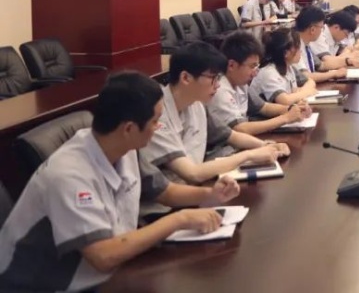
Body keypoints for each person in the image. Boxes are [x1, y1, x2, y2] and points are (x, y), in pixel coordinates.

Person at [0, 72, 239, 292]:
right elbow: (103, 256)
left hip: (109, 273)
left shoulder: (122, 147)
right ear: (129, 128)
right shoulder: (68, 175)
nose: (159, 127)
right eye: (155, 121)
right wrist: (180, 219)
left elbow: (164, 191)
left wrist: (211, 194)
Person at [141, 42, 289, 184]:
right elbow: (192, 173)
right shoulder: (154, 116)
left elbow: (230, 135)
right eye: (213, 78)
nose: (218, 85)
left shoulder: (197, 103)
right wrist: (250, 155)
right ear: (186, 78)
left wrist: (265, 145)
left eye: (218, 78)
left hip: (197, 186)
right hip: (173, 196)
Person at [208, 31, 313, 136]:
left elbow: (264, 107)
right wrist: (286, 118)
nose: (255, 73)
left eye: (256, 66)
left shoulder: (241, 83)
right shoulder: (219, 89)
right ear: (232, 65)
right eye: (252, 66)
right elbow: (240, 129)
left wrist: (292, 108)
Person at [249, 29, 319, 109]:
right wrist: (306, 92)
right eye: (297, 48)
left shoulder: (289, 67)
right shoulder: (269, 72)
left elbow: (310, 81)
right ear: (286, 53)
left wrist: (299, 92)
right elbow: (285, 101)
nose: (301, 51)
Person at [294, 6, 353, 81]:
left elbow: (322, 65)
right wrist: (334, 74)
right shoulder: (294, 46)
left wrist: (348, 61)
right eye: (321, 28)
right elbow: (305, 76)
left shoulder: (306, 45)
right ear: (312, 30)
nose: (322, 31)